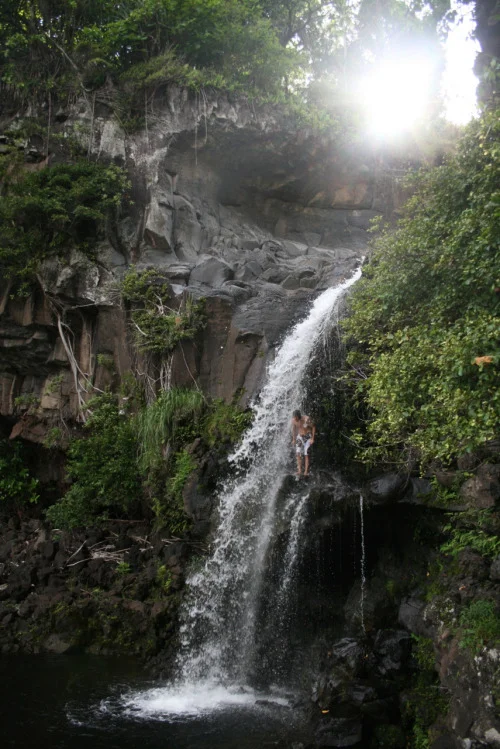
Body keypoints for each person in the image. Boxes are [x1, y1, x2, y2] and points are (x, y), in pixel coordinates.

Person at [291, 409, 316, 477]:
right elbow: (293, 429)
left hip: (307, 437)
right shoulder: (293, 421)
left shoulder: (306, 419)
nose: (295, 419)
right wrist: (294, 439)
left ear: (299, 416)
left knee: (306, 453)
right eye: (294, 417)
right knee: (298, 453)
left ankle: (306, 471)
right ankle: (299, 470)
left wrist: (312, 438)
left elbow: (313, 427)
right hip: (300, 437)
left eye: (296, 417)